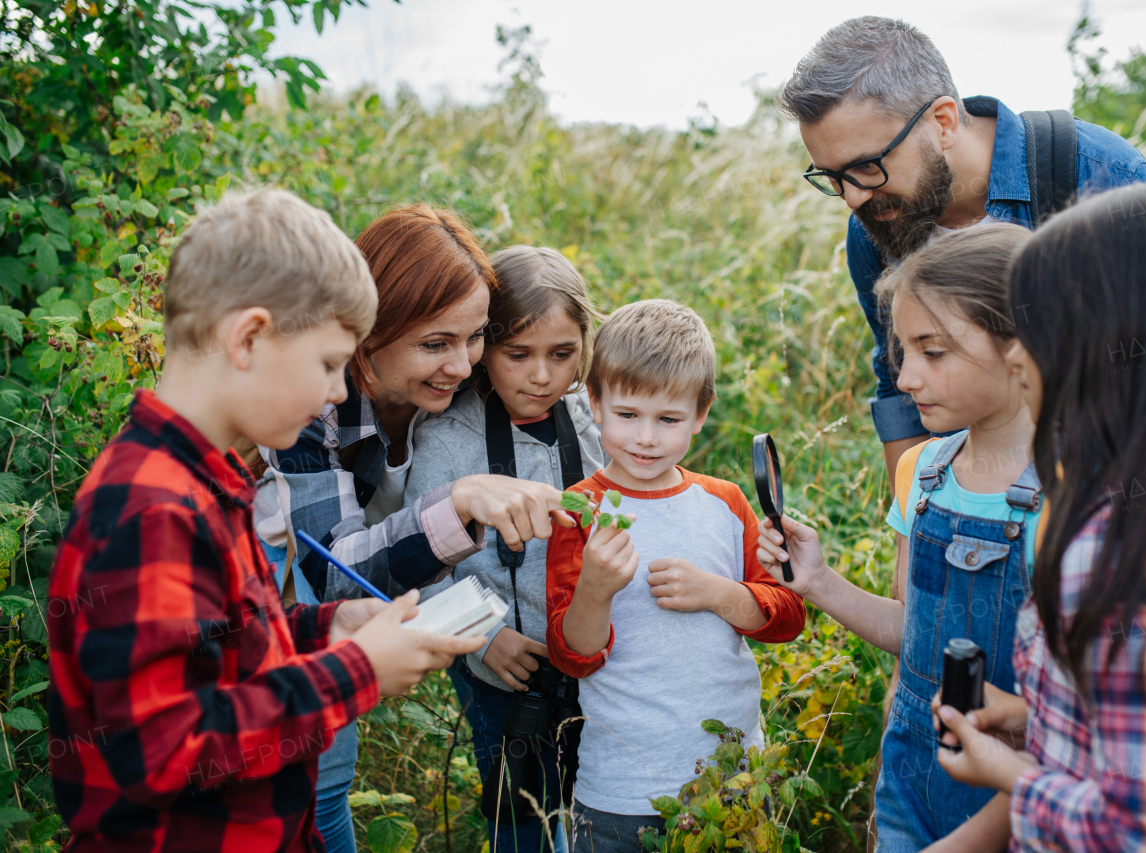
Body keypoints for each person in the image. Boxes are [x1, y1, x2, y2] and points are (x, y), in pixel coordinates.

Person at [46, 189, 484, 852]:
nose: (339, 392)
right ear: (249, 337)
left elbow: (213, 642)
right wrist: (357, 671)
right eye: (330, 364)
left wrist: (323, 628)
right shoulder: (151, 511)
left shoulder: (205, 481)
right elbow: (166, 749)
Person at [931, 183, 1146, 851]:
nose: (1013, 353)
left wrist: (1012, 771)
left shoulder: (1114, 555)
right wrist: (1039, 716)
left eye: (1032, 325)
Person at [251, 205, 577, 853]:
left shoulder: (470, 377)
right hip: (288, 566)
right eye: (435, 343)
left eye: (476, 337)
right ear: (371, 333)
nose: (461, 365)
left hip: (404, 565)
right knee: (320, 773)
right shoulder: (312, 399)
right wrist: (460, 502)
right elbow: (335, 571)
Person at [776, 15, 1146, 489]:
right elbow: (896, 379)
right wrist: (914, 525)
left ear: (943, 122)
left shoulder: (1098, 176)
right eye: (832, 178)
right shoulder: (875, 225)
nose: (853, 198)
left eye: (866, 166)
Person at [757, 225, 1041, 852]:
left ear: (1021, 345)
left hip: (1021, 784)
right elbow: (914, 632)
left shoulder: (1071, 500)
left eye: (933, 352)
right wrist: (819, 582)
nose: (906, 378)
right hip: (912, 765)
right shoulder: (923, 471)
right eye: (901, 353)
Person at [544, 299, 807, 852]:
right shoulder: (580, 510)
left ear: (701, 412)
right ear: (594, 402)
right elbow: (574, 655)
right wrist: (595, 586)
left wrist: (719, 594)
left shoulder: (724, 502)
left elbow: (786, 617)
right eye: (628, 415)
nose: (645, 438)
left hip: (731, 777)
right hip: (620, 788)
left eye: (668, 420)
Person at [404, 246, 608, 852]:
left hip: (595, 662)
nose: (542, 375)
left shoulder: (595, 420)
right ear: (482, 350)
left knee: (595, 801)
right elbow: (421, 564)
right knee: (520, 814)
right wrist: (484, 638)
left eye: (562, 355)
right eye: (517, 355)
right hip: (505, 671)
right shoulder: (446, 439)